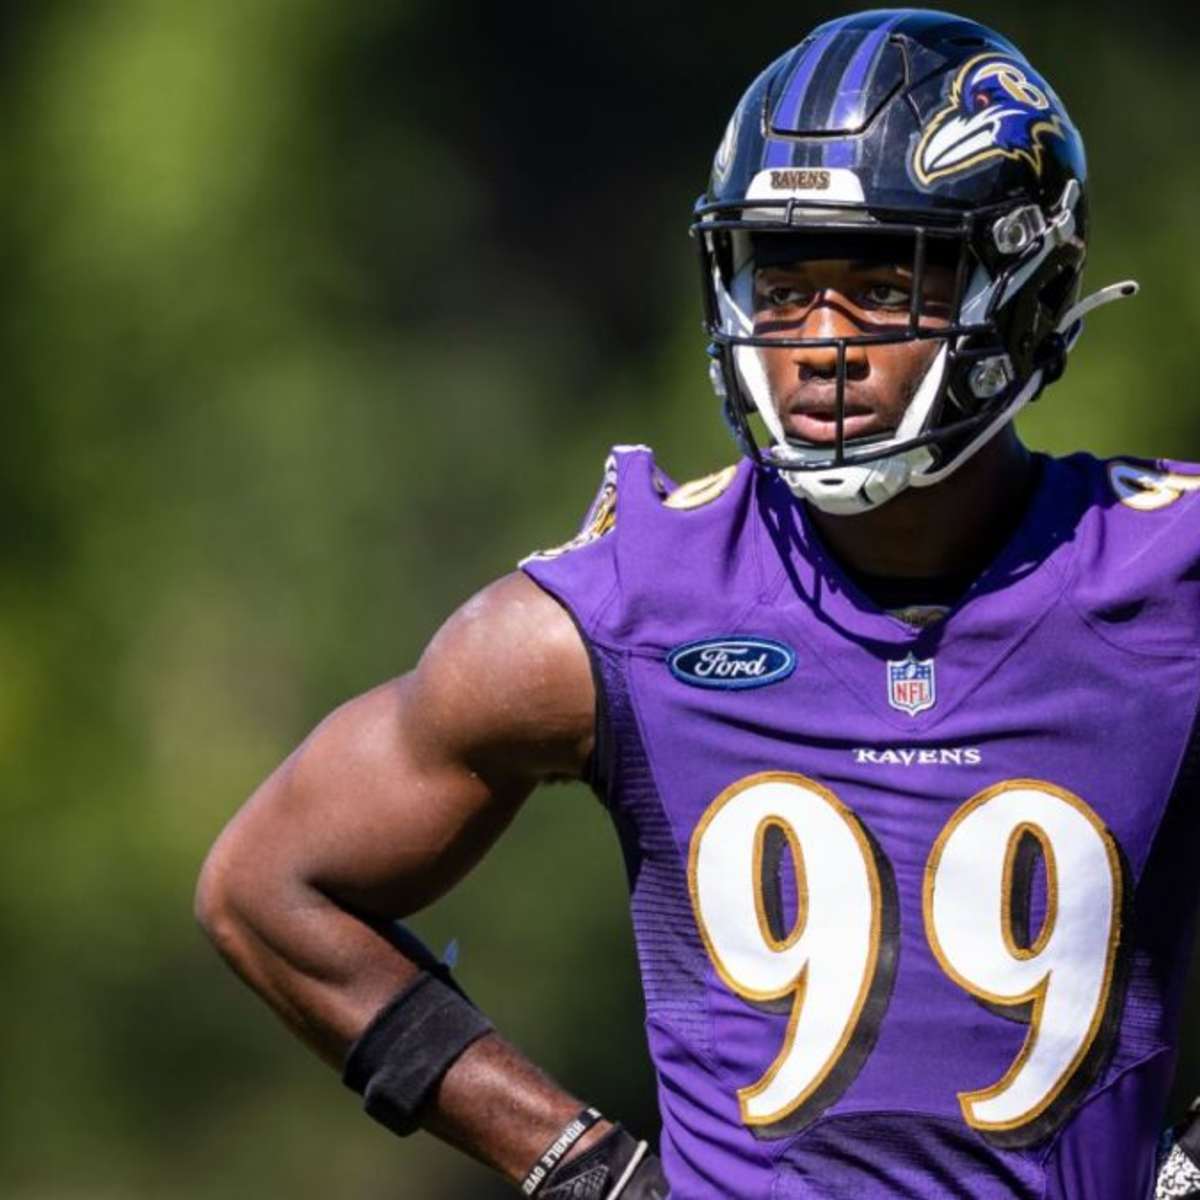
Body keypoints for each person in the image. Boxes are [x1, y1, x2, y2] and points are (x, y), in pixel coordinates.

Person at [195, 10, 1200, 1198]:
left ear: (1026, 282)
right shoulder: (630, 608)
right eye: (783, 286)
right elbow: (268, 887)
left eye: (884, 281)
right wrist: (577, 1164)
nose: (820, 343)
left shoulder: (1165, 576)